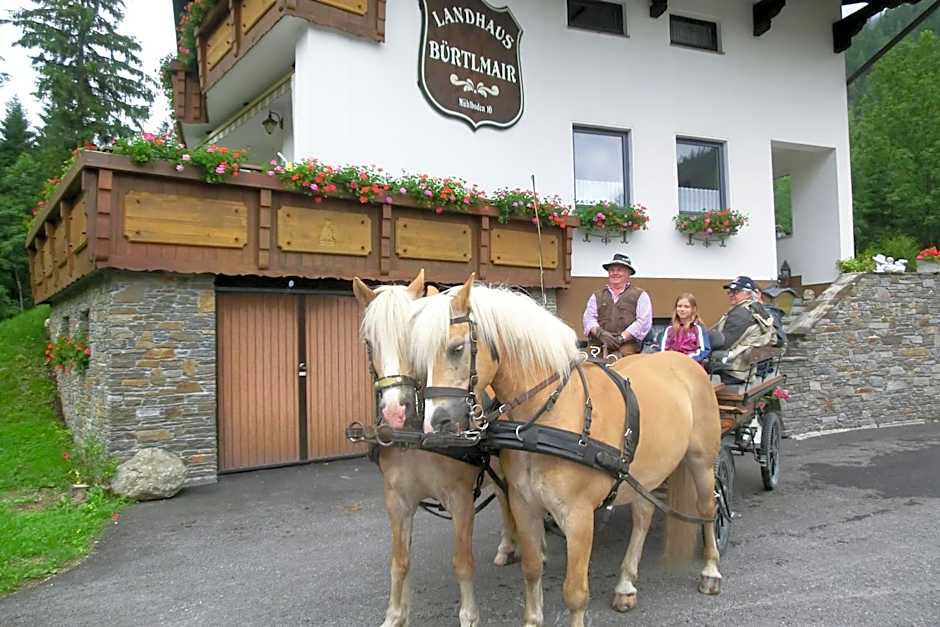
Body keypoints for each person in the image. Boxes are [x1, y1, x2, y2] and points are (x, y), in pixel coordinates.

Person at [582, 253, 652, 358]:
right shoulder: (597, 295)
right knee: (582, 365)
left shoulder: (640, 295)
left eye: (619, 270)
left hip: (627, 346)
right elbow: (589, 318)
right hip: (598, 344)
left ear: (628, 273)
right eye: (612, 270)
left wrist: (621, 338)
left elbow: (643, 322)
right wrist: (600, 333)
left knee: (619, 366)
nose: (615, 273)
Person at [710, 276, 775, 383]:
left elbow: (723, 343)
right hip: (748, 369)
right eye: (730, 291)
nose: (731, 294)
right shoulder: (759, 310)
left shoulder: (741, 315)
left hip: (734, 371)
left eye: (736, 292)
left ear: (749, 294)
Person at [659, 293, 710, 364]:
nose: (682, 309)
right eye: (679, 306)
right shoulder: (669, 329)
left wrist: (684, 360)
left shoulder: (698, 328)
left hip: (691, 364)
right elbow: (663, 350)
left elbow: (703, 351)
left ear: (693, 309)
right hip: (671, 363)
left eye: (686, 307)